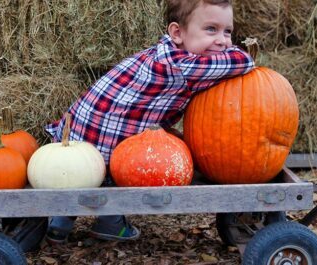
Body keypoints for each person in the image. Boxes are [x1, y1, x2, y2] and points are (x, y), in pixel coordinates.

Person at [44, 0, 255, 244]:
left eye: (227, 31)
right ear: (177, 33)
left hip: (77, 136)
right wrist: (243, 51)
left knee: (83, 176)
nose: (223, 41)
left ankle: (59, 222)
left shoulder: (166, 52)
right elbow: (242, 62)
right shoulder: (181, 65)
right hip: (102, 141)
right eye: (211, 29)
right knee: (111, 174)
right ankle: (109, 222)